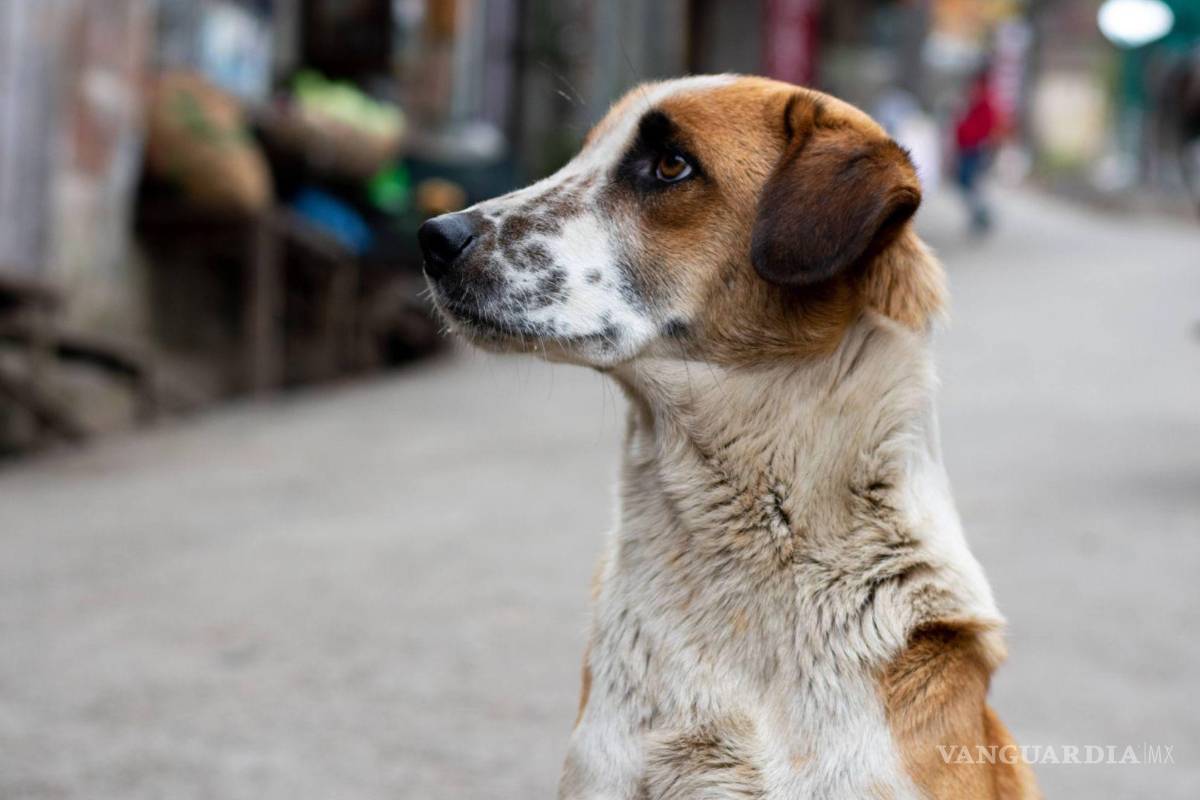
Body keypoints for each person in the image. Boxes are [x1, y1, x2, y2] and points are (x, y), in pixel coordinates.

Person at [954, 68, 999, 234]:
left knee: (969, 182)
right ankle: (979, 215)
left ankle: (982, 215)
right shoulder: (973, 102)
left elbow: (987, 128)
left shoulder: (985, 103)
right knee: (966, 182)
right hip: (967, 147)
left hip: (975, 148)